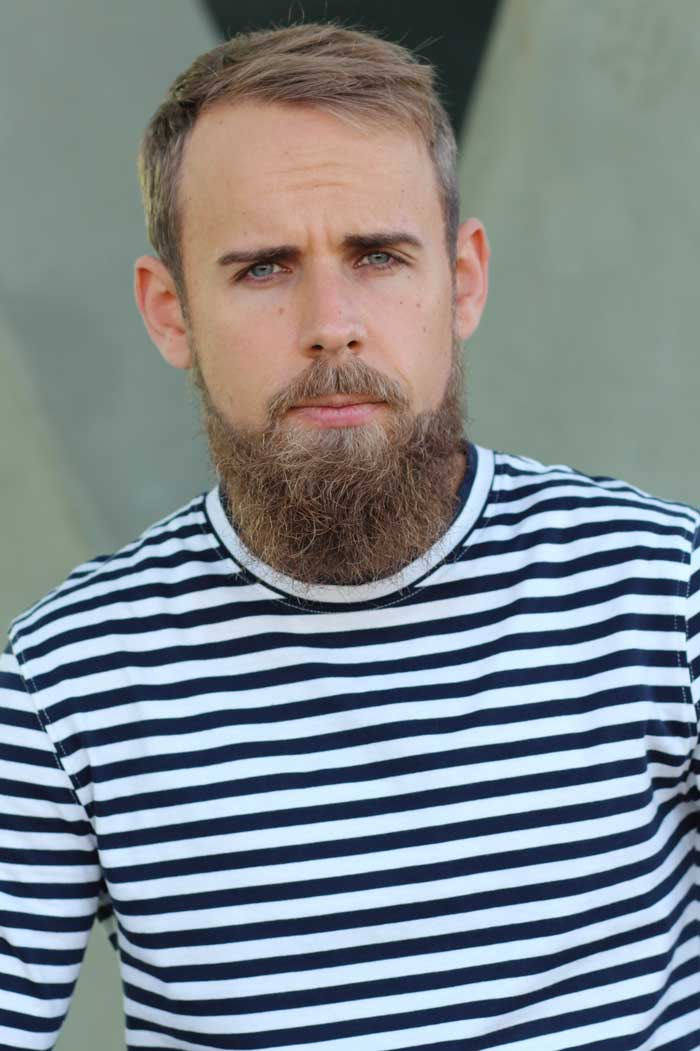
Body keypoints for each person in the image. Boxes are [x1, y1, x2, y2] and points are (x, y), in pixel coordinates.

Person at [1, 21, 698, 1051]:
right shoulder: (66, 680)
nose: (331, 322)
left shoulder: (662, 595)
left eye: (377, 255)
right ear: (170, 311)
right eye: (263, 267)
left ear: (462, 280)